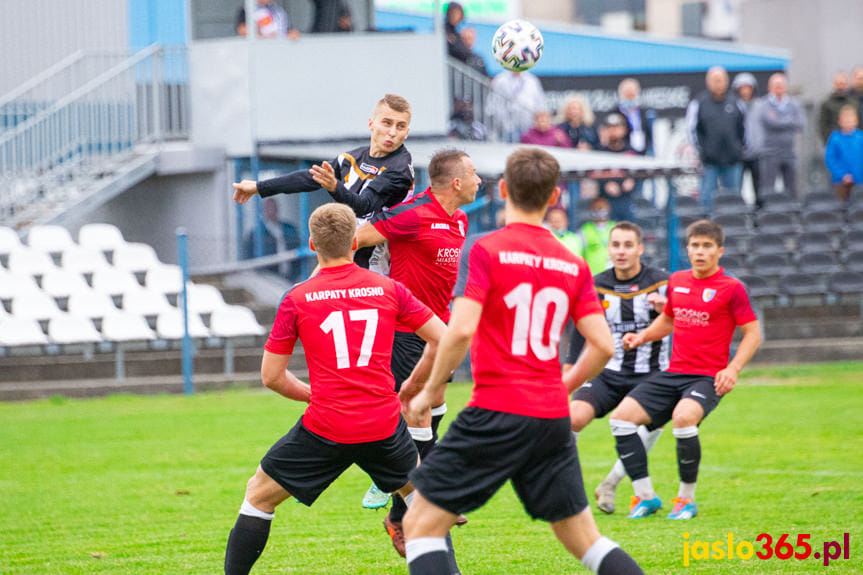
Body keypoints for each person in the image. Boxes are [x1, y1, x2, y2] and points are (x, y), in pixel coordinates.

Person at [401, 148, 645, 575]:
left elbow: (459, 331)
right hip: (551, 416)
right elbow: (603, 346)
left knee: (419, 524)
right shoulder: (571, 263)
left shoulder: (485, 249)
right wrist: (562, 389)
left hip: (497, 410)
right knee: (584, 539)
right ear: (554, 198)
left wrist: (426, 391)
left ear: (503, 189)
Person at [222, 203, 447, 574]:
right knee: (423, 505)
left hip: (326, 425)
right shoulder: (388, 288)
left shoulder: (296, 298)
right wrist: (412, 386)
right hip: (383, 423)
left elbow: (271, 377)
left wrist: (314, 395)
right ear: (356, 241)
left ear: (312, 244)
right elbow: (442, 339)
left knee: (258, 495)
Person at [354, 149, 481, 556]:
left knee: (435, 407)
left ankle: (399, 511)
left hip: (438, 330)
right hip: (404, 330)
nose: (480, 179)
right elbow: (357, 239)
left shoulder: (459, 220)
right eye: (474, 173)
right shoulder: (411, 214)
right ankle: (430, 496)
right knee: (417, 410)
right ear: (456, 182)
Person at [609, 219, 761, 520]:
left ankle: (686, 500)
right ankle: (645, 496)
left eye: (707, 246)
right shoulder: (677, 280)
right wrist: (642, 337)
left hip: (707, 376)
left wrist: (733, 369)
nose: (700, 252)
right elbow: (668, 319)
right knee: (621, 419)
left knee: (683, 417)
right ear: (687, 249)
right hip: (673, 371)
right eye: (695, 245)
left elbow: (753, 333)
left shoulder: (732, 288)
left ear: (719, 251)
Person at [232, 94, 414, 268]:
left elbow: (364, 205)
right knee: (304, 293)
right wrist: (258, 187)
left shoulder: (400, 169)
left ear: (406, 132)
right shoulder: (352, 158)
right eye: (387, 123)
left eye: (400, 126)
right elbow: (311, 177)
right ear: (371, 123)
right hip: (349, 258)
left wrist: (335, 187)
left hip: (384, 267)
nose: (392, 132)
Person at [569, 222, 670, 515]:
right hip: (607, 372)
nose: (621, 251)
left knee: (650, 425)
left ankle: (611, 483)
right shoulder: (595, 284)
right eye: (616, 245)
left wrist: (667, 309)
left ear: (640, 248)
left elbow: (685, 321)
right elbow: (580, 331)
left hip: (651, 374)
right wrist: (570, 370)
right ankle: (572, 493)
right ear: (609, 249)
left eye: (628, 245)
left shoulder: (662, 283)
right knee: (573, 418)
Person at [686, 66, 746, 211]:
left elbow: (744, 129)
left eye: (721, 80)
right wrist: (702, 151)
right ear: (708, 82)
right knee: (706, 200)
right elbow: (691, 130)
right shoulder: (699, 103)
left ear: (727, 81)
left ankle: (734, 227)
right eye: (715, 80)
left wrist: (739, 148)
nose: (718, 83)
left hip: (733, 160)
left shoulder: (736, 102)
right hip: (709, 162)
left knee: (733, 199)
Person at [754, 73, 805, 197]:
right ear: (769, 87)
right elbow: (770, 121)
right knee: (768, 188)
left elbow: (801, 122)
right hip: (770, 153)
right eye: (776, 86)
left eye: (781, 85)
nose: (779, 88)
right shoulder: (763, 104)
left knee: (791, 188)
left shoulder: (794, 103)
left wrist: (779, 119)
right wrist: (789, 119)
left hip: (789, 152)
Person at [242, 198, 301, 281]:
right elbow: (249, 256)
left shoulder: (289, 229)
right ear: (263, 210)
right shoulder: (256, 234)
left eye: (273, 207)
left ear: (277, 209)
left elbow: (298, 248)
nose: (271, 210)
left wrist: (297, 272)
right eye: (268, 208)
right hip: (269, 276)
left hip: (290, 275)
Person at [594, 114, 638, 222]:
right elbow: (594, 173)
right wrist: (605, 183)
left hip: (627, 198)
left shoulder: (630, 151)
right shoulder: (600, 151)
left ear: (624, 130)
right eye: (610, 128)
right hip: (606, 198)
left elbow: (638, 172)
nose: (613, 131)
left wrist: (632, 180)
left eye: (617, 127)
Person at [732, 72, 764, 207]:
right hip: (739, 154)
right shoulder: (733, 106)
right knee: (737, 187)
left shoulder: (760, 105)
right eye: (742, 88)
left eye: (748, 87)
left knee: (759, 188)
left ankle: (760, 216)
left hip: (757, 153)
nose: (745, 91)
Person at [487, 70, 546, 143]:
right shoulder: (500, 79)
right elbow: (493, 100)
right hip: (505, 123)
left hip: (526, 122)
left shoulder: (531, 80)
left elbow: (539, 100)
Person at [825, 105, 863, 202]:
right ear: (839, 121)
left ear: (856, 121)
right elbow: (831, 159)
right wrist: (843, 175)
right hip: (841, 183)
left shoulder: (860, 137)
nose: (848, 121)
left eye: (851, 119)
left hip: (860, 181)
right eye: (845, 119)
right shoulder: (835, 138)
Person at [614, 78, 654, 156]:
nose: (630, 97)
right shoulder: (616, 112)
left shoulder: (644, 111)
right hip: (624, 152)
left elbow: (649, 132)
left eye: (632, 94)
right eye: (627, 93)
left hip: (643, 150)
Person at [819, 72, 854, 145]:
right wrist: (830, 141)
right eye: (838, 84)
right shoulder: (826, 104)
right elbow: (823, 126)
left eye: (843, 84)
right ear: (834, 84)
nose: (840, 87)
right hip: (834, 142)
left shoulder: (853, 103)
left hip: (853, 142)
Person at [235, 0, 300, 39]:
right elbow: (242, 30)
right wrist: (265, 36)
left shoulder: (279, 12)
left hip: (280, 50)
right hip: (259, 51)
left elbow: (286, 31)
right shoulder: (247, 10)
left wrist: (291, 35)